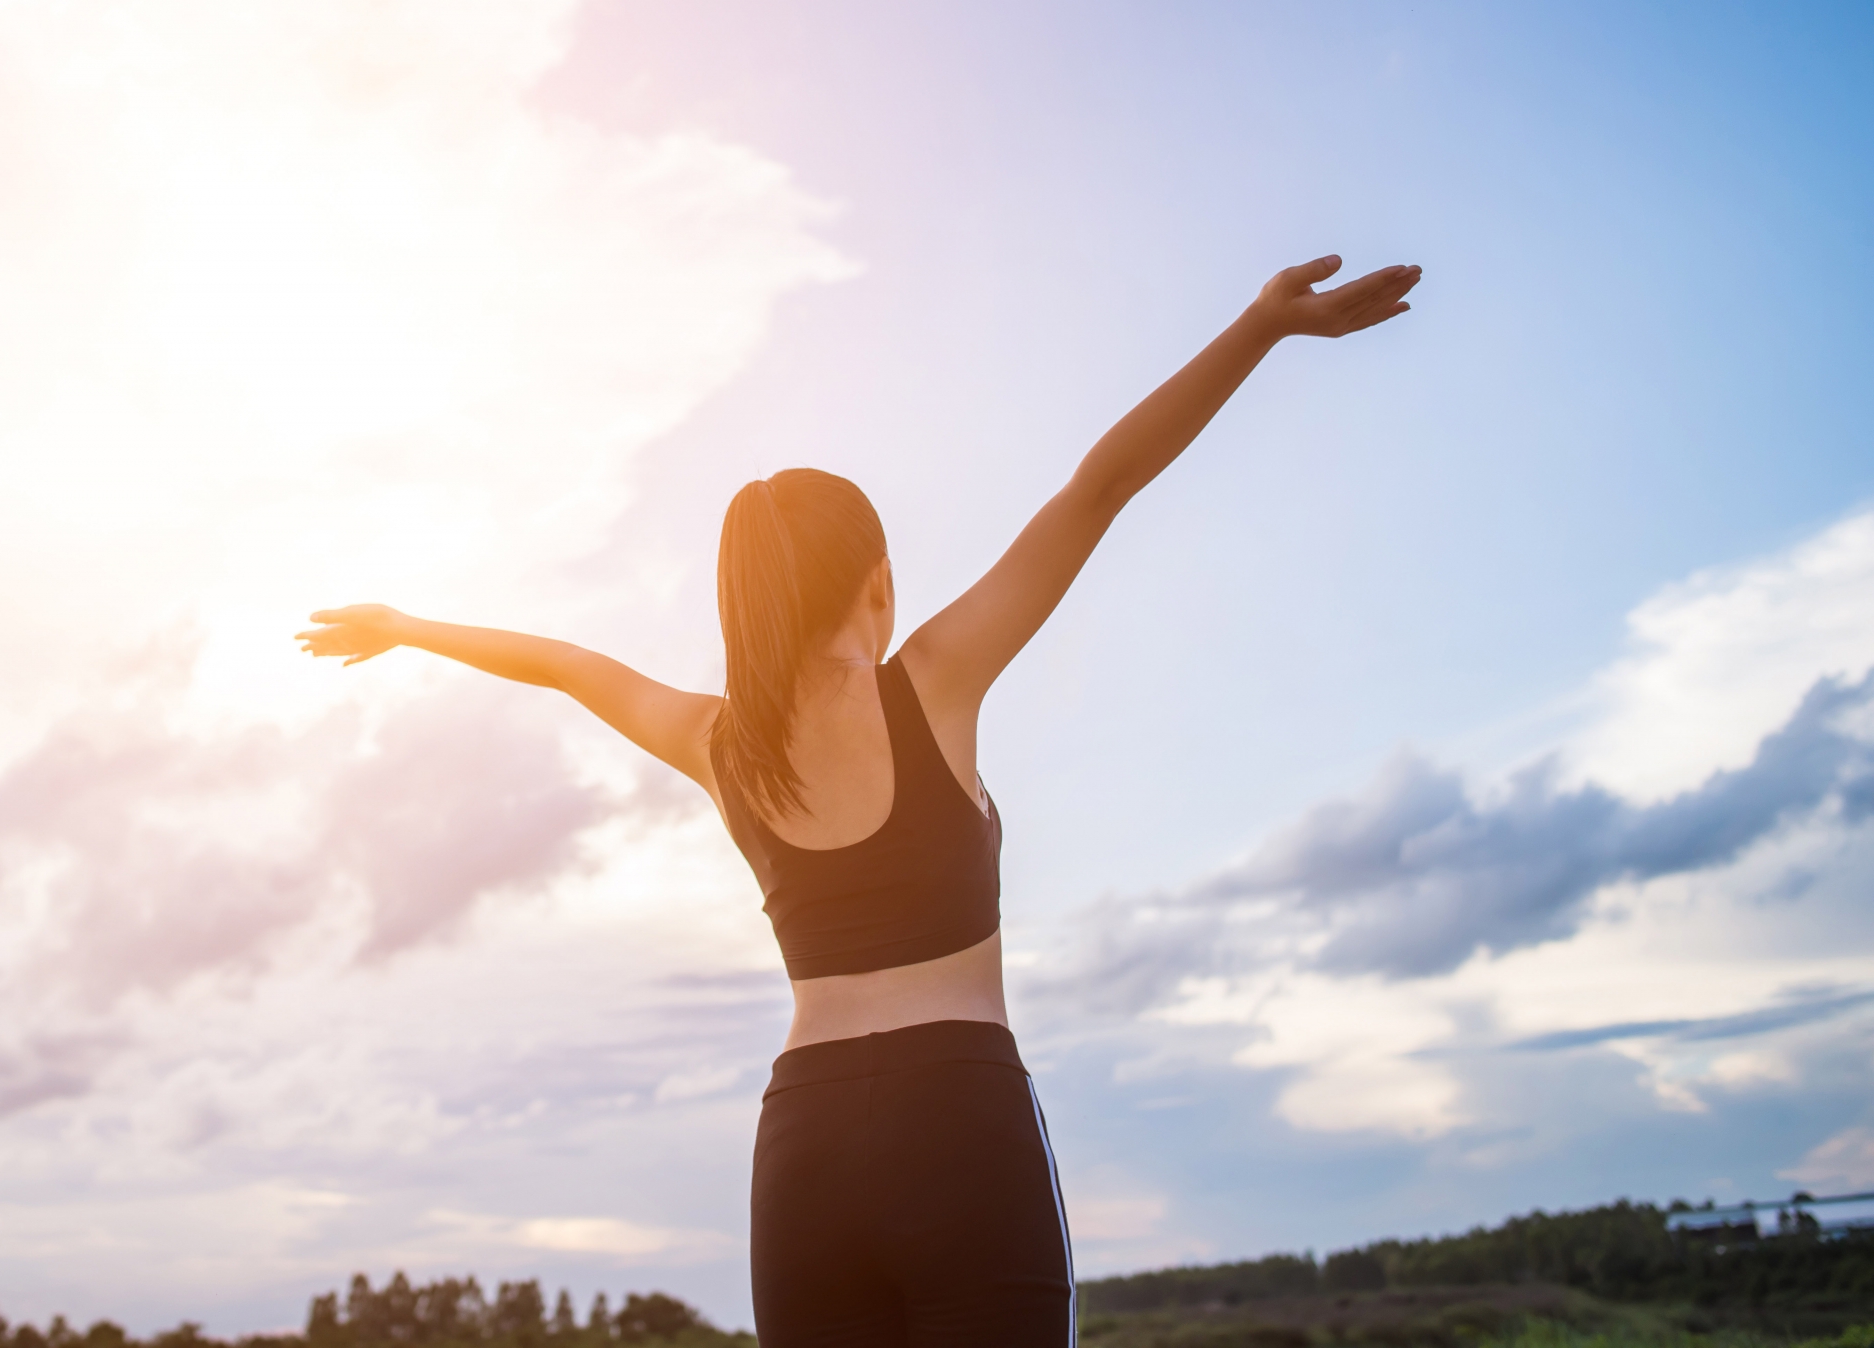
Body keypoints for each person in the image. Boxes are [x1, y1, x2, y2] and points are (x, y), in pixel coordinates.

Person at [297, 254, 1422, 1346]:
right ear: (877, 580)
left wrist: (405, 627)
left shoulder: (715, 741)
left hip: (807, 1142)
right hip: (958, 1116)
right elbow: (1102, 485)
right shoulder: (934, 683)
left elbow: (565, 663)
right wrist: (1259, 328)